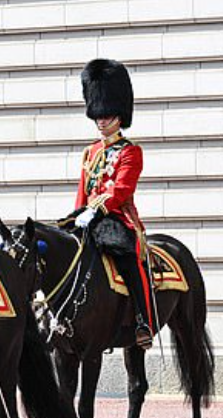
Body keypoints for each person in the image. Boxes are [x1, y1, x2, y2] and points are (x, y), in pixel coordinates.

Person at [72, 58, 153, 349]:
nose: (101, 120)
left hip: (116, 217)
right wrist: (77, 215)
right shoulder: (90, 152)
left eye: (106, 114)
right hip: (88, 216)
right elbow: (83, 189)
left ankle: (143, 319)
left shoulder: (131, 151)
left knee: (126, 255)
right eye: (98, 115)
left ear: (119, 115)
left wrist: (96, 209)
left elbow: (121, 189)